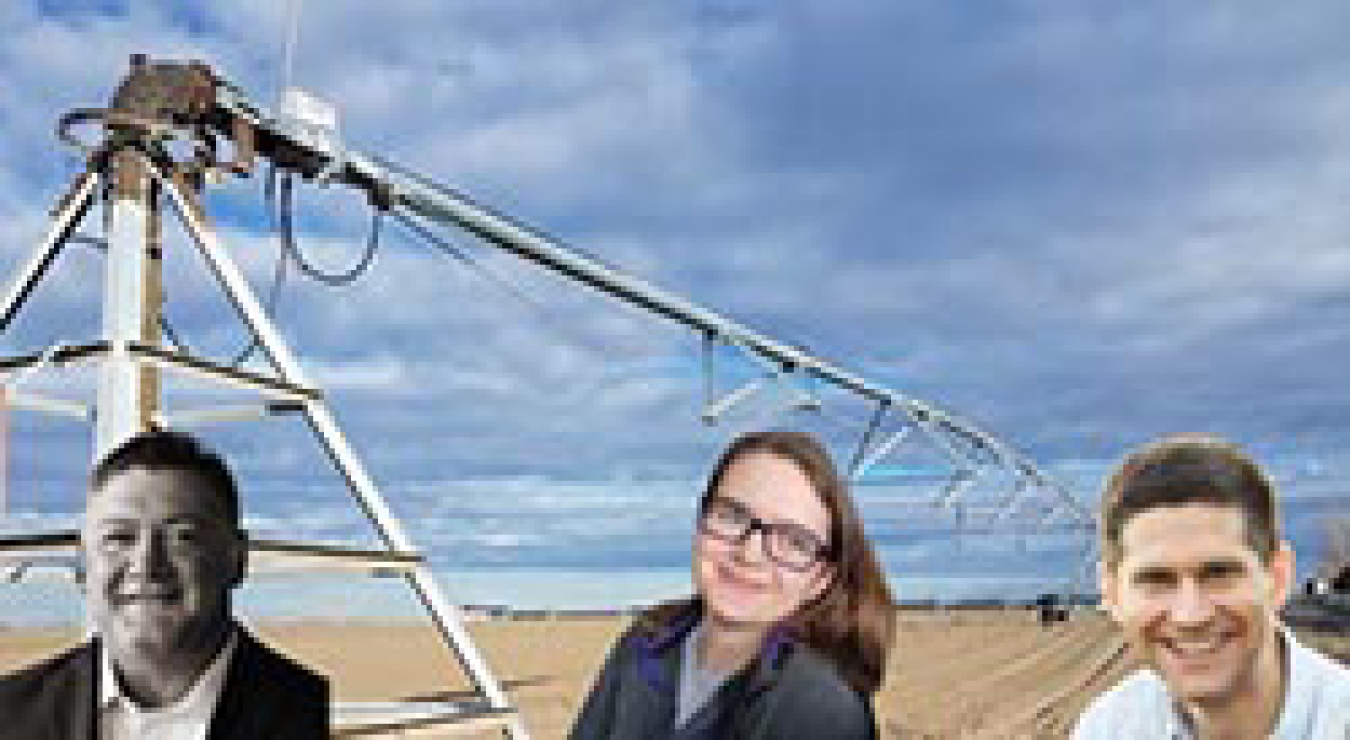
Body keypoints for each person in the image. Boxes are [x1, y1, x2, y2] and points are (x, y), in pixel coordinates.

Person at [0, 429, 330, 739]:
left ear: (237, 559)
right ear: (84, 564)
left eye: (182, 537)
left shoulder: (302, 707)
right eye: (119, 537)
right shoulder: (11, 712)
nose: (147, 566)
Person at [569, 430, 896, 739]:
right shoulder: (647, 640)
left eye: (794, 541)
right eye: (733, 516)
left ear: (820, 579)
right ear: (700, 522)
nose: (749, 553)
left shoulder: (818, 707)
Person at [1074, 434, 1350, 739]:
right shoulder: (1109, 728)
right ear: (1112, 594)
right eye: (1156, 579)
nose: (1190, 616)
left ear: (1277, 577)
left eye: (1219, 574)